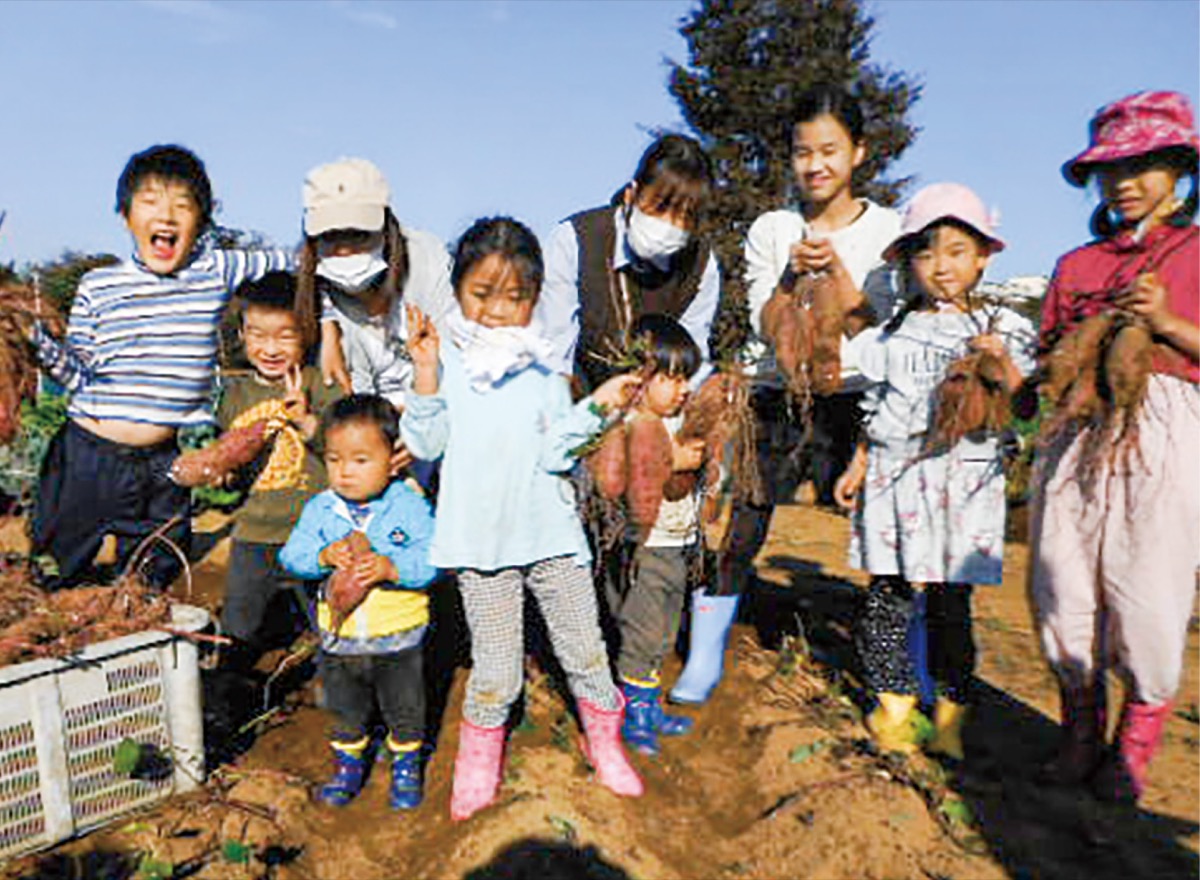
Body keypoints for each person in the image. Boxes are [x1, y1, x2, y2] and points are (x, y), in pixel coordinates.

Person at [400, 217, 645, 821]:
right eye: (483, 294)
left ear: (535, 298)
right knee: (497, 667)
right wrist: (426, 373)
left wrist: (599, 408)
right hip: (481, 545)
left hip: (551, 535)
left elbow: (557, 450)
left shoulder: (542, 369)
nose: (498, 311)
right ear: (458, 289)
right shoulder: (447, 364)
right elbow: (426, 445)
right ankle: (478, 762)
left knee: (584, 648)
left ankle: (605, 743)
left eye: (516, 298)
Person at [672, 85, 901, 707]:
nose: (815, 164)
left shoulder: (888, 231)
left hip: (855, 400)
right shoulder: (773, 230)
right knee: (745, 524)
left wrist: (839, 276)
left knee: (885, 536)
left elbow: (874, 327)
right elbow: (763, 324)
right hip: (778, 393)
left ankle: (897, 675)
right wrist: (794, 276)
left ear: (858, 153)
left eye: (829, 150)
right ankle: (704, 653)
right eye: (803, 152)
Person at [1029, 90, 1198, 803]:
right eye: (1112, 168)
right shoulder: (1077, 266)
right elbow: (1047, 360)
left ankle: (1133, 747)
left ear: (1180, 169)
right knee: (1060, 578)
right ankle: (1079, 729)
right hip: (1077, 430)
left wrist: (1163, 320)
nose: (1126, 181)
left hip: (1164, 429)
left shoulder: (1195, 254)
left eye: (1145, 164)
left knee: (1149, 589)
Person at [29, 144, 292, 589]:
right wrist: (34, 341)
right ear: (126, 216)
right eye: (151, 201)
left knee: (156, 572)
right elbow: (76, 373)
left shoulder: (215, 269)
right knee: (57, 566)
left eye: (183, 205)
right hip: (86, 456)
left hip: (164, 464)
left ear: (200, 221)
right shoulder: (99, 286)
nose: (167, 216)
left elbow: (300, 264)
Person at [835, 183, 1035, 758]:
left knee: (951, 601)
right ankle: (893, 704)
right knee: (889, 593)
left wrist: (997, 362)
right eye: (926, 253)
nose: (941, 267)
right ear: (909, 262)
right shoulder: (892, 332)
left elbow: (1024, 404)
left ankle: (951, 711)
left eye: (955, 251)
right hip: (896, 477)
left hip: (965, 482)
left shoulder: (1005, 328)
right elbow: (878, 406)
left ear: (983, 257)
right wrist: (859, 462)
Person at [279, 394, 437, 811]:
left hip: (398, 640)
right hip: (340, 640)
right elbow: (290, 556)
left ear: (393, 459)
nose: (345, 472)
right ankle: (349, 766)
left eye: (360, 460)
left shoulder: (409, 506)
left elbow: (432, 561)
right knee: (345, 710)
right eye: (334, 460)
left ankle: (406, 766)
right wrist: (322, 556)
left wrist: (392, 569)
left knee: (405, 708)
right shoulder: (320, 509)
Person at [214, 271, 342, 676]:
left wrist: (306, 420)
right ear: (242, 333)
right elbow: (229, 464)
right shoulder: (233, 396)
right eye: (257, 334)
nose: (269, 348)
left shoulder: (320, 384)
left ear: (306, 332)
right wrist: (222, 474)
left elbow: (343, 449)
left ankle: (341, 695)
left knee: (332, 625)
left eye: (284, 336)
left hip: (316, 534)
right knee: (238, 627)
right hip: (254, 534)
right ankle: (228, 694)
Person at [537, 134, 720, 392]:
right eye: (659, 207)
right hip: (579, 399)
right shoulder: (576, 240)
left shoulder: (701, 266)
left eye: (686, 217)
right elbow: (553, 355)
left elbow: (693, 359)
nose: (670, 225)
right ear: (631, 194)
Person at [610, 314, 705, 756]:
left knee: (665, 632)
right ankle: (636, 714)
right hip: (646, 549)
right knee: (642, 632)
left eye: (686, 378)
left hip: (678, 545)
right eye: (670, 378)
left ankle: (648, 704)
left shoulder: (676, 423)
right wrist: (675, 461)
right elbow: (635, 473)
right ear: (638, 380)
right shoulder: (628, 425)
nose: (682, 389)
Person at [296, 157, 455, 410]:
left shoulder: (426, 259)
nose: (344, 249)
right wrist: (327, 326)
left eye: (358, 235)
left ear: (386, 229)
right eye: (330, 236)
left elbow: (456, 360)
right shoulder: (309, 287)